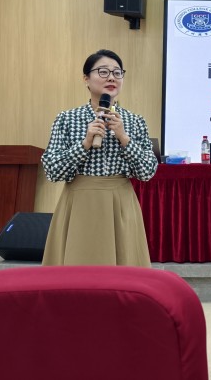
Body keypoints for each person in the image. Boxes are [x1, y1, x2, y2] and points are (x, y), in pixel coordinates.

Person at [41, 49, 157, 267]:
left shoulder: (135, 121)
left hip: (120, 203)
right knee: (78, 271)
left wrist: (124, 138)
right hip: (79, 203)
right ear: (86, 78)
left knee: (122, 276)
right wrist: (85, 143)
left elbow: (147, 171)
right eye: (103, 72)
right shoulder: (67, 119)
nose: (111, 77)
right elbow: (52, 170)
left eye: (117, 73)